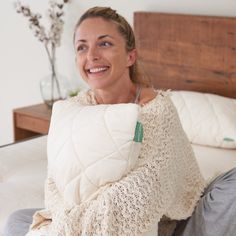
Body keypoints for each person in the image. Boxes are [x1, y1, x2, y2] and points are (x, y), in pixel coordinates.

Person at [5, 6, 207, 236]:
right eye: (82, 47)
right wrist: (65, 220)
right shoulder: (75, 109)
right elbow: (56, 185)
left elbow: (141, 195)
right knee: (16, 219)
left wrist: (69, 226)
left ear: (130, 56)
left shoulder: (157, 110)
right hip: (84, 215)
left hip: (159, 223)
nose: (91, 56)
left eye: (104, 43)